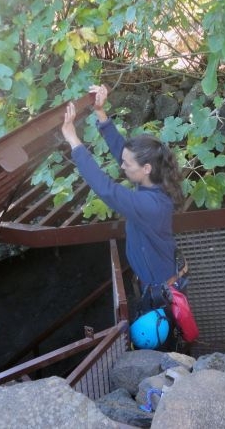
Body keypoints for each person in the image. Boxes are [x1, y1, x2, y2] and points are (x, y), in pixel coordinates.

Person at [60, 84, 185, 314]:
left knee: (162, 342)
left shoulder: (150, 205)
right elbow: (122, 152)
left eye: (127, 164)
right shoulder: (152, 180)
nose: (122, 165)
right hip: (153, 281)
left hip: (161, 293)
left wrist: (74, 142)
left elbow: (107, 190)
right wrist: (100, 112)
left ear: (146, 168)